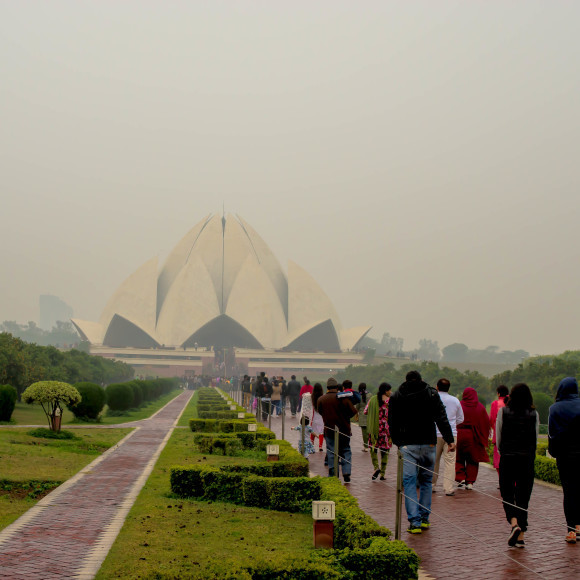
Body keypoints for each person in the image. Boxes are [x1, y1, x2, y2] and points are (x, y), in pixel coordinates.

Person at [388, 370, 455, 534]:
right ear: (421, 379)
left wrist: (398, 442)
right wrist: (449, 439)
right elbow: (441, 417)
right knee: (426, 481)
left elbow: (392, 421)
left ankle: (414, 522)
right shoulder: (431, 394)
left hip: (407, 445)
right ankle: (424, 518)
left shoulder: (397, 396)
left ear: (406, 380)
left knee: (409, 483)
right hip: (428, 443)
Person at [497, 383, 539, 548]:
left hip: (508, 457)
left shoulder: (503, 412)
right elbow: (535, 439)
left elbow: (499, 437)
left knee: (507, 493)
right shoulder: (534, 414)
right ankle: (520, 536)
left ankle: (514, 523)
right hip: (526, 459)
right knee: (523, 497)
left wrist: (503, 451)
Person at [548, 377, 580, 544]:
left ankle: (571, 530)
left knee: (569, 492)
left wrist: (553, 452)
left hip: (565, 456)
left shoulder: (555, 408)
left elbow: (552, 435)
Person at [317, 377, 358, 483]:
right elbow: (353, 411)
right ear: (337, 387)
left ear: (327, 387)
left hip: (329, 429)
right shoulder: (343, 398)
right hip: (344, 429)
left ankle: (333, 473)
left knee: (331, 451)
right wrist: (345, 417)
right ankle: (346, 472)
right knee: (346, 450)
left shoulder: (321, 399)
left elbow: (320, 412)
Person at [432, 378, 464, 496]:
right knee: (450, 461)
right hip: (451, 434)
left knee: (434, 460)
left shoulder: (433, 398)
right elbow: (461, 418)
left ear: (437, 387)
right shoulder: (455, 400)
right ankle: (448, 488)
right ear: (449, 388)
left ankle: (431, 485)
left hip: (435, 434)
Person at [455, 387, 490, 490]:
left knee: (459, 457)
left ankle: (460, 478)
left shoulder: (459, 405)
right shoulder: (480, 407)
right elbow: (485, 423)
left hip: (460, 433)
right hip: (474, 435)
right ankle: (470, 482)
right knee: (473, 459)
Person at [365, 382, 392, 480]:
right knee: (385, 451)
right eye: (390, 390)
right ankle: (383, 474)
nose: (391, 392)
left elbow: (365, 411)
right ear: (386, 391)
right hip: (386, 430)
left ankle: (376, 467)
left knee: (373, 449)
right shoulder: (390, 401)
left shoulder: (372, 400)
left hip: (374, 429)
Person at [489, 385, 509, 474]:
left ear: (498, 393)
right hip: (513, 435)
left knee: (498, 459)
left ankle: (502, 480)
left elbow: (492, 419)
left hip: (499, 434)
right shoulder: (511, 402)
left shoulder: (495, 404)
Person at [310, 383, 325, 452]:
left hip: (314, 417)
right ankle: (320, 446)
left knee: (312, 431)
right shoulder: (323, 397)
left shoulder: (311, 397)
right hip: (321, 417)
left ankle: (312, 444)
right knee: (321, 432)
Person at [356, 383, 369, 451]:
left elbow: (357, 407)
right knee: (370, 432)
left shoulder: (359, 396)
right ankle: (372, 445)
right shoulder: (370, 395)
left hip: (362, 415)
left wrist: (356, 415)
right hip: (369, 415)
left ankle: (366, 446)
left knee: (364, 433)